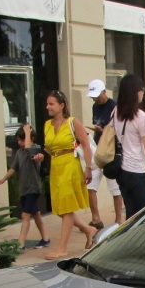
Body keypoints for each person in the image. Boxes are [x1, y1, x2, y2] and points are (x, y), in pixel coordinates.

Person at [40, 89, 97, 259]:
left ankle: (62, 247)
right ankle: (89, 229)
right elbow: (48, 147)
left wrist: (88, 168)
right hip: (55, 167)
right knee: (61, 209)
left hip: (70, 166)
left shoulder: (73, 122)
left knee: (66, 207)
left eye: (51, 104)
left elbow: (86, 145)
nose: (47, 107)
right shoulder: (47, 125)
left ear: (61, 105)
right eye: (47, 103)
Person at [108, 74, 145, 218]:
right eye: (141, 89)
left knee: (131, 213)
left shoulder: (115, 112)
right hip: (136, 171)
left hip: (121, 172)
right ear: (134, 92)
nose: (143, 93)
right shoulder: (140, 116)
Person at [0, 124, 49, 249]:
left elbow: (32, 154)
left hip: (33, 188)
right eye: (18, 140)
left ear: (31, 138)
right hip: (24, 189)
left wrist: (28, 133)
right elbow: (14, 168)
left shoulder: (35, 148)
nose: (20, 143)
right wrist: (3, 179)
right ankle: (45, 238)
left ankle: (20, 243)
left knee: (25, 216)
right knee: (36, 214)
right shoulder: (19, 152)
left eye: (22, 140)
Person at [85, 79, 124, 229]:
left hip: (110, 149)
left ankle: (118, 219)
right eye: (92, 97)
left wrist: (104, 132)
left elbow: (117, 130)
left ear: (104, 92)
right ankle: (96, 218)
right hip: (97, 147)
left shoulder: (114, 106)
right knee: (91, 184)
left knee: (114, 187)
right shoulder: (95, 106)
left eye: (97, 95)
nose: (95, 99)